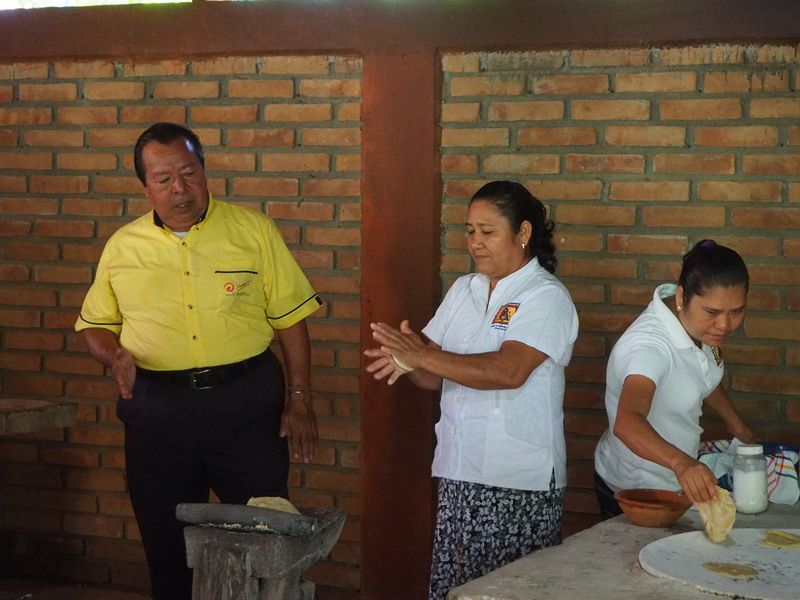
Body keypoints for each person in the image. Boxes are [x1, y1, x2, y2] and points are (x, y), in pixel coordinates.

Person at [75, 122, 322, 600]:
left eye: (189, 173)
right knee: (166, 548)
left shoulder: (253, 231)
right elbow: (94, 324)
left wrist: (300, 398)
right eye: (164, 178)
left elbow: (292, 321)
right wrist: (115, 354)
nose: (179, 188)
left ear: (205, 171)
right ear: (145, 186)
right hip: (158, 414)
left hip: (246, 408)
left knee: (262, 538)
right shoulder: (124, 247)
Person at [364, 180, 579, 600]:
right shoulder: (465, 290)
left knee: (509, 591)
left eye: (488, 231)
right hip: (461, 470)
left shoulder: (546, 296)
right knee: (457, 588)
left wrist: (422, 357)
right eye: (470, 231)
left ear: (523, 233)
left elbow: (509, 370)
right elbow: (432, 375)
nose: (475, 243)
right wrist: (406, 360)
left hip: (519, 479)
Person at [594, 240, 757, 518]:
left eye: (736, 312)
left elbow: (702, 374)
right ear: (682, 297)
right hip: (636, 491)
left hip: (675, 482)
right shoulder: (649, 347)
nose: (724, 325)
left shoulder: (695, 325)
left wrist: (740, 429)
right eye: (713, 312)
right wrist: (682, 464)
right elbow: (627, 423)